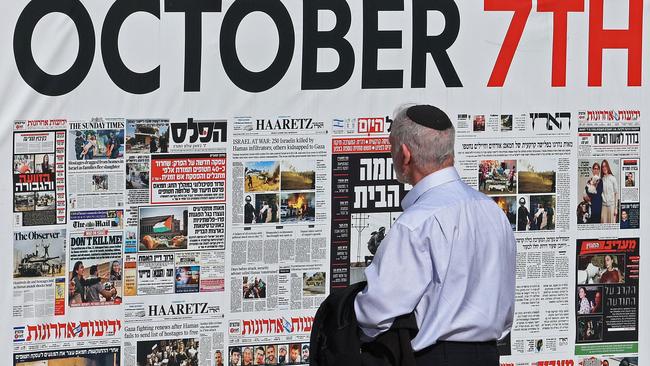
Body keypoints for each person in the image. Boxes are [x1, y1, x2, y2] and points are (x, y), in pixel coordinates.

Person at [354, 105, 516, 366]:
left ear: (405, 154)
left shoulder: (415, 224)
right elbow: (505, 311)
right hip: (487, 356)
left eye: (392, 146)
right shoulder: (494, 213)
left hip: (433, 357)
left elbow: (375, 313)